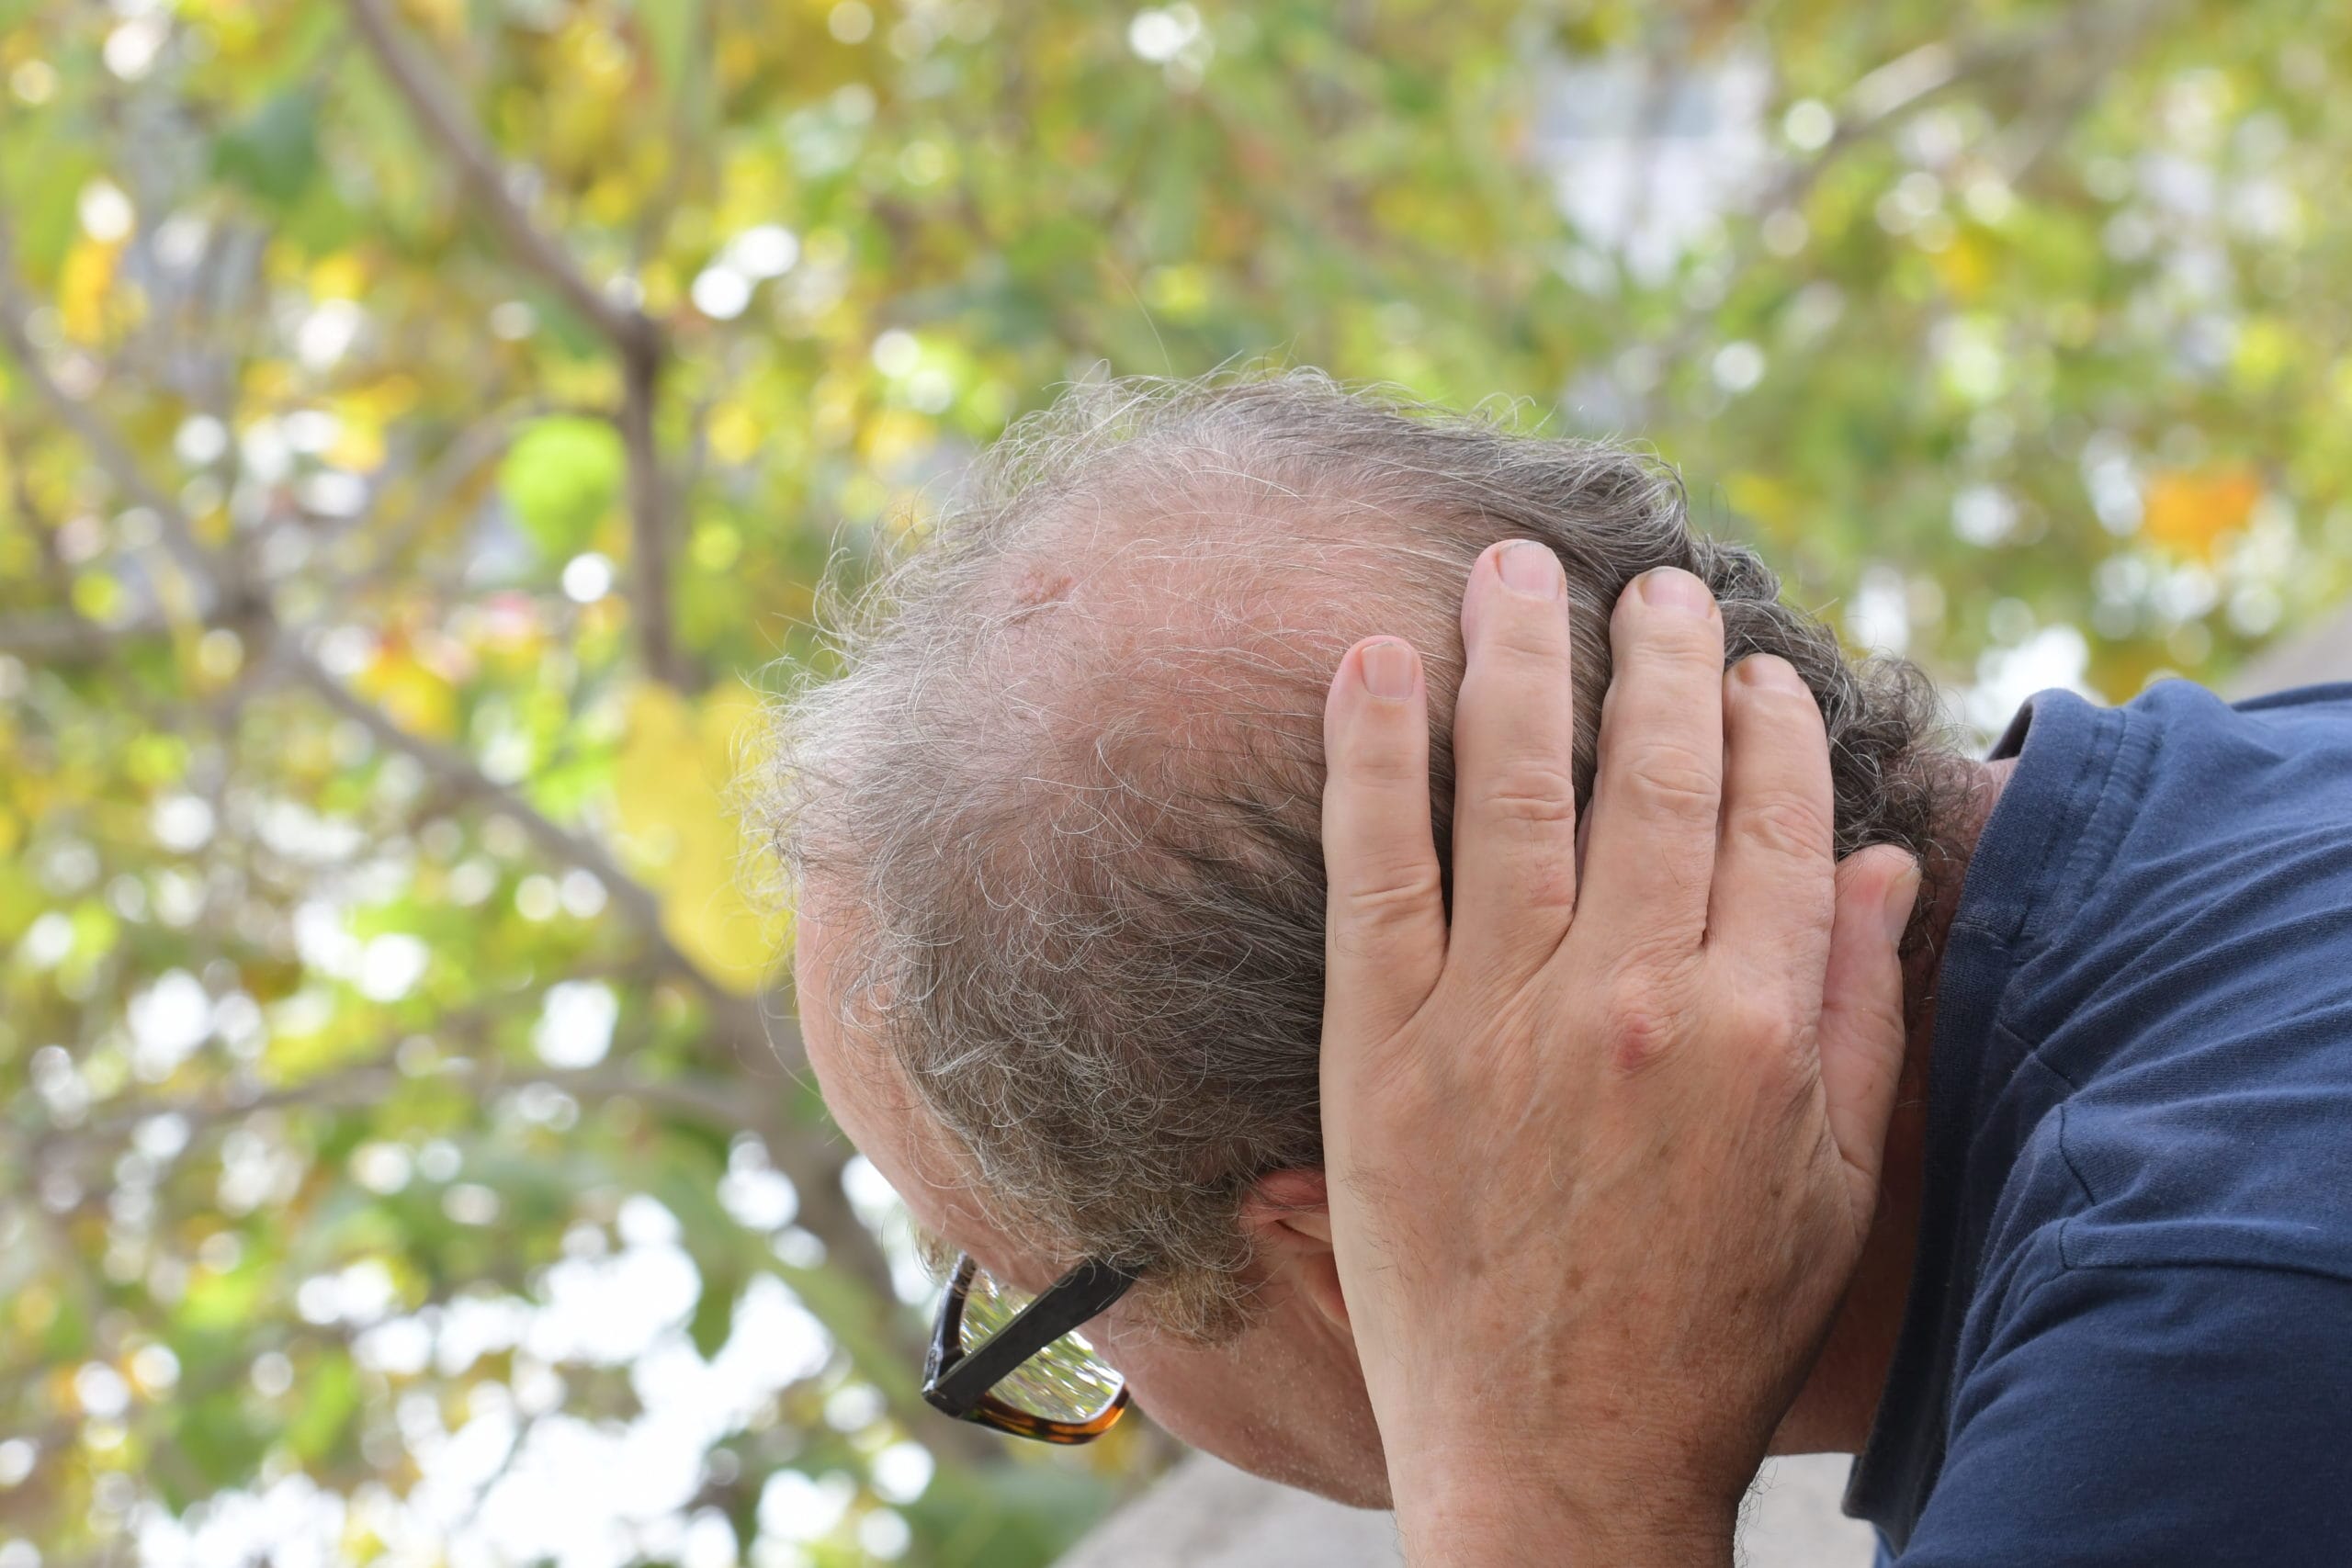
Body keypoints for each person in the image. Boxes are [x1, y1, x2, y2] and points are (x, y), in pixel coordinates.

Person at [757, 371, 2352, 1563]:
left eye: (1050, 1316)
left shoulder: (2184, 1379)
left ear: (1368, 1232)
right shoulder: (2273, 810)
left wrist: (1551, 1507)